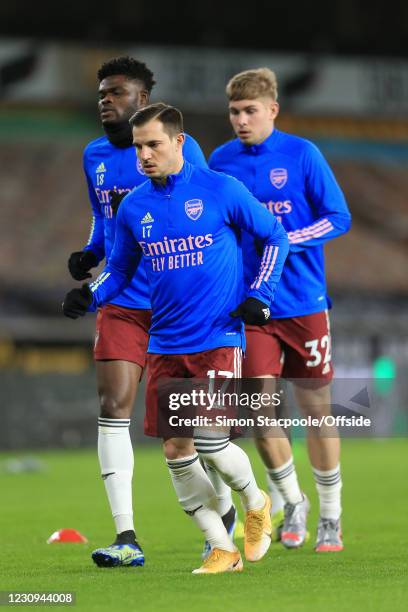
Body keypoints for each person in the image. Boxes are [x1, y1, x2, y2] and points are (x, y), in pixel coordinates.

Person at [63, 102, 289, 574]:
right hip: (165, 341)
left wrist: (261, 295)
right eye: (140, 146)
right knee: (175, 452)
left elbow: (276, 236)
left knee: (208, 441)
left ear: (179, 143)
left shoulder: (221, 189)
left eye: (153, 145)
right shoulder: (134, 206)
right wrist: (92, 295)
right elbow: (121, 270)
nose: (144, 155)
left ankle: (255, 499)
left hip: (218, 334)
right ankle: (220, 547)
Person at [68, 57, 207, 568]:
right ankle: (126, 536)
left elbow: (208, 212)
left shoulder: (183, 150)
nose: (105, 98)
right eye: (102, 91)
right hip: (122, 301)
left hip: (179, 306)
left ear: (143, 100)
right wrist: (89, 253)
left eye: (117, 91)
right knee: (112, 408)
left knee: (189, 435)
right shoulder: (94, 155)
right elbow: (101, 219)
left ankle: (226, 511)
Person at [209, 68, 351, 552]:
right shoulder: (221, 160)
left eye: (250, 110)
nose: (241, 120)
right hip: (252, 305)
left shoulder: (302, 154)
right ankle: (293, 501)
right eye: (234, 112)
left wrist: (286, 239)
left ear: (273, 109)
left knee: (317, 411)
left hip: (304, 302)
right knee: (259, 411)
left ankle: (330, 514)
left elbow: (338, 216)